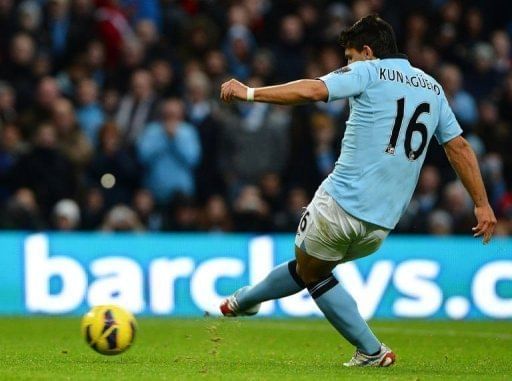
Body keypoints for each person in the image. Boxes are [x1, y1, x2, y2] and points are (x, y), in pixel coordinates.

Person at [218, 15, 497, 368]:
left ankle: (371, 350)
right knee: (310, 265)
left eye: (349, 58)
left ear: (367, 51)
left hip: (340, 203)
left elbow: (314, 90)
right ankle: (245, 301)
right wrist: (482, 204)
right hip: (382, 224)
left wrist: (250, 92)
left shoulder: (369, 70)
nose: (346, 66)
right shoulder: (432, 88)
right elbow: (458, 147)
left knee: (312, 271)